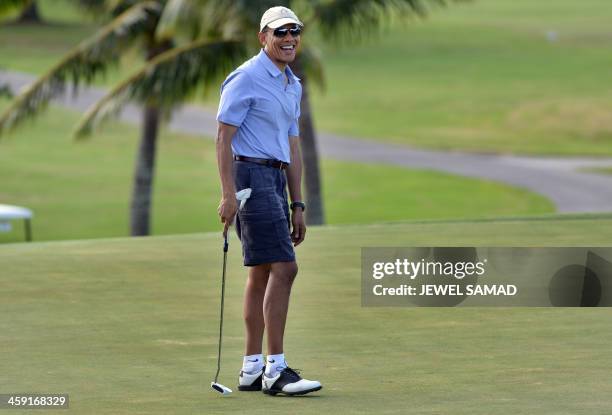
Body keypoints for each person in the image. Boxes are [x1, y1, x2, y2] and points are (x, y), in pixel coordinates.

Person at [215, 6, 322, 396]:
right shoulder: (245, 78)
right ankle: (276, 370)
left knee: (262, 272)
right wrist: (228, 193)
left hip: (275, 176)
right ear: (263, 37)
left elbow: (292, 146)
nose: (289, 38)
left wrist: (298, 204)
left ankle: (251, 368)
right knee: (285, 268)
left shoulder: (291, 83)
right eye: (280, 33)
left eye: (294, 31)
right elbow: (223, 138)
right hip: (250, 176)